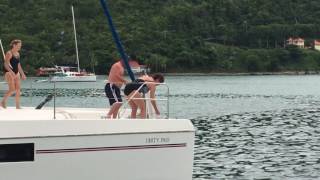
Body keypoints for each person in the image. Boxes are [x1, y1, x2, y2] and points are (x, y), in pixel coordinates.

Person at [1, 39, 27, 109]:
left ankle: (17, 106)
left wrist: (22, 74)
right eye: (18, 46)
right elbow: (5, 64)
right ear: (14, 45)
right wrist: (11, 72)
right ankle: (3, 102)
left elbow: (18, 65)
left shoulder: (18, 54)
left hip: (17, 72)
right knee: (12, 89)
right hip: (9, 72)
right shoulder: (9, 53)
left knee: (18, 89)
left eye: (20, 46)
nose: (19, 47)